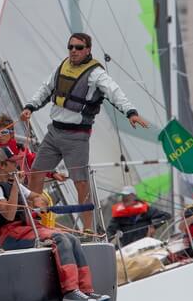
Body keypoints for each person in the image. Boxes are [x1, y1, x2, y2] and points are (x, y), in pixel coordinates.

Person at [19, 32, 150, 231]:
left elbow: (115, 93)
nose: (73, 51)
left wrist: (131, 113)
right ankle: (32, 221)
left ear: (88, 49)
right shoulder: (62, 66)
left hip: (76, 137)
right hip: (54, 132)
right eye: (70, 47)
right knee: (35, 173)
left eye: (78, 47)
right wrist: (30, 106)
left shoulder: (96, 73)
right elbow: (45, 89)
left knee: (81, 183)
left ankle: (88, 229)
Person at [0, 148, 109, 301]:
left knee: (72, 239)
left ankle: (86, 290)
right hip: (8, 235)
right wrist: (16, 187)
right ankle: (70, 291)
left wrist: (39, 202)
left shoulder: (13, 184)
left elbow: (38, 197)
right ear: (2, 165)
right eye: (14, 162)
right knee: (59, 238)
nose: (18, 165)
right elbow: (9, 215)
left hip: (26, 229)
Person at [0, 114, 66, 195]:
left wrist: (53, 173)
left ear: (12, 133)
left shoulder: (23, 151)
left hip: (24, 194)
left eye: (3, 132)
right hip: (2, 196)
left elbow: (37, 162)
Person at [107, 186, 172, 247]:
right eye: (123, 196)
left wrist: (154, 226)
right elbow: (110, 231)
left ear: (134, 196)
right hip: (128, 249)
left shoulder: (147, 210)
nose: (124, 198)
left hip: (146, 246)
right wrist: (105, 241)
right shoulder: (119, 215)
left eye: (127, 195)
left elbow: (166, 215)